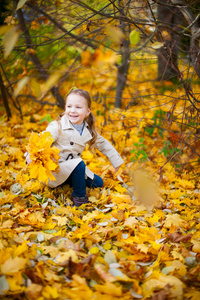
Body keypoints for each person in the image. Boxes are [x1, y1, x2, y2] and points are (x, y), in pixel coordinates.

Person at [26, 89, 124, 207]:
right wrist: (30, 156)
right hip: (54, 170)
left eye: (78, 107)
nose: (72, 110)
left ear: (87, 111)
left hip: (72, 170)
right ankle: (79, 198)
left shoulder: (87, 130)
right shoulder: (57, 126)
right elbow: (42, 140)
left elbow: (103, 143)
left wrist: (116, 161)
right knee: (79, 163)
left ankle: (69, 182)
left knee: (98, 183)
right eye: (69, 106)